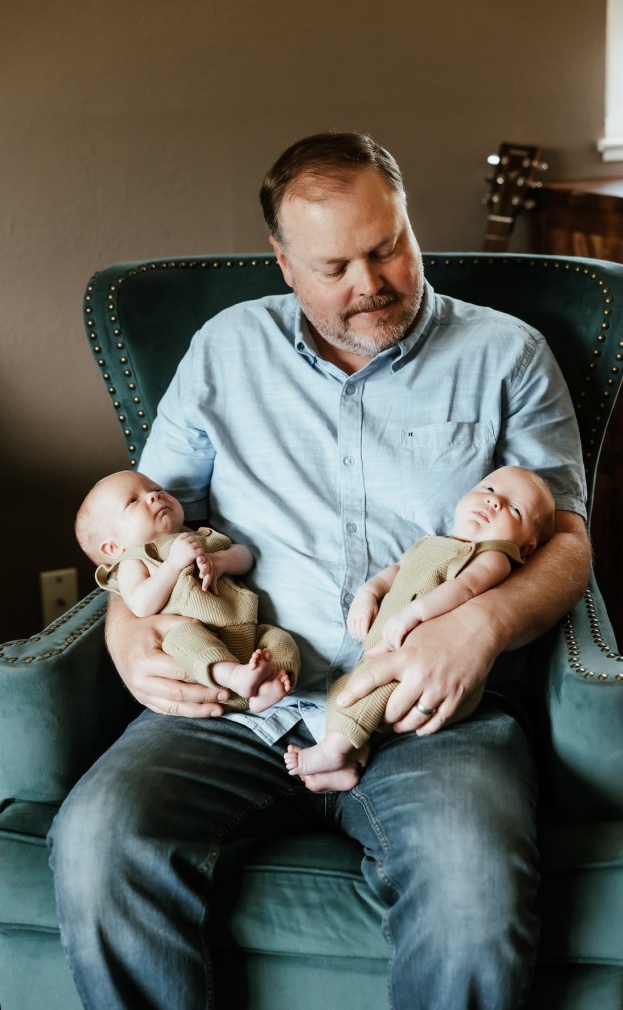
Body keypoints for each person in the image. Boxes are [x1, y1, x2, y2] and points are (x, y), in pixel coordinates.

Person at [49, 132, 591, 1010]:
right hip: (237, 701)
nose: (369, 283)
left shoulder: (507, 355)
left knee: (471, 885)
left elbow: (567, 538)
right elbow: (145, 516)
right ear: (283, 261)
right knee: (97, 841)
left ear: (408, 221)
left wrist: (479, 625)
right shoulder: (225, 349)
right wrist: (125, 629)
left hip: (426, 710)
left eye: (387, 248)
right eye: (333, 265)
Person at [284, 465, 555, 790]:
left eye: (515, 508)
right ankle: (347, 761)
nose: (494, 503)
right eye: (490, 490)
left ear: (525, 547)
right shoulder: (431, 543)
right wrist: (368, 593)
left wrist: (413, 615)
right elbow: (396, 572)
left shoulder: (492, 556)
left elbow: (463, 590)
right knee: (346, 690)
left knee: (366, 693)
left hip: (430, 666)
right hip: (389, 653)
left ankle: (330, 752)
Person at [76, 469, 300, 712]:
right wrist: (172, 565)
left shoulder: (199, 536)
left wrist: (221, 561)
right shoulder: (135, 560)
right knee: (182, 638)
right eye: (133, 501)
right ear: (112, 548)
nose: (154, 496)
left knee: (280, 640)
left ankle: (264, 689)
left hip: (248, 631)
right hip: (201, 637)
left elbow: (246, 557)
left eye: (157, 489)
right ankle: (233, 675)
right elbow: (141, 605)